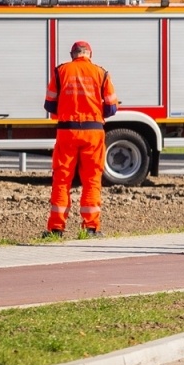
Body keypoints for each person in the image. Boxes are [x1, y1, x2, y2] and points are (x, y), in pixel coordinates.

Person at [42, 40, 118, 240]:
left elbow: (49, 105)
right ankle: (91, 228)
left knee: (62, 179)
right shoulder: (101, 73)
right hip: (93, 133)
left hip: (67, 131)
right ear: (89, 54)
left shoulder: (60, 71)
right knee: (92, 180)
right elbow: (111, 108)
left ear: (72, 54)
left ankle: (56, 229)